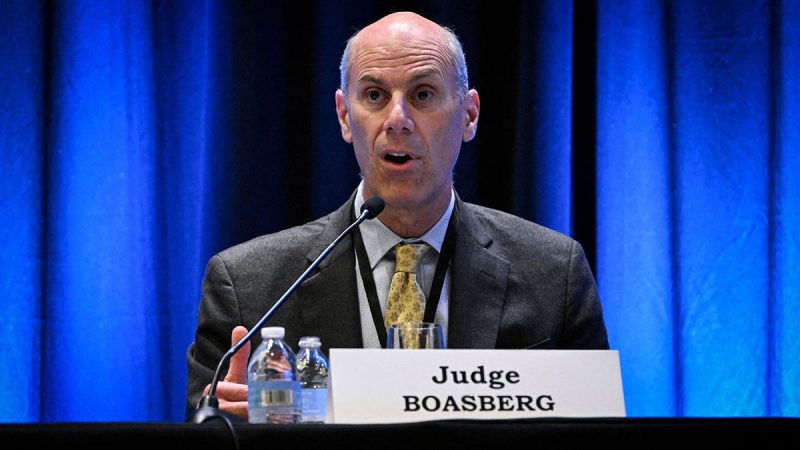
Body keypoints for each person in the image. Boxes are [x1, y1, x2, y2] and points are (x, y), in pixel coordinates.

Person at [185, 11, 608, 420]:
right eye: (374, 96)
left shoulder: (554, 273)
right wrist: (230, 430)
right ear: (344, 116)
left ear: (469, 115)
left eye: (423, 94)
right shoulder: (249, 287)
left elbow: (598, 437)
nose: (397, 120)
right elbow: (203, 432)